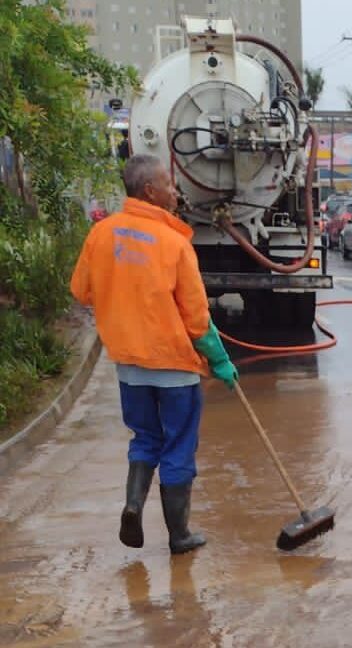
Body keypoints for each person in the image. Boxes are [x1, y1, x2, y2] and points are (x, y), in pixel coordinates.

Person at [70, 154, 238, 555]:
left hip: (129, 365)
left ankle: (133, 504)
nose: (175, 191)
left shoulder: (102, 234)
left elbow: (81, 291)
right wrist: (219, 360)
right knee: (178, 444)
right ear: (149, 191)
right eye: (168, 183)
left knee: (145, 437)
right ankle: (179, 535)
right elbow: (197, 318)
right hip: (174, 367)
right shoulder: (173, 243)